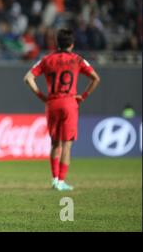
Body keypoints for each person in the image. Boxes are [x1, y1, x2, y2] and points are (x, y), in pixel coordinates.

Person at [24, 28, 100, 191]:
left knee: (54, 143)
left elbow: (28, 77)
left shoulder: (47, 59)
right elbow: (96, 78)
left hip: (52, 104)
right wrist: (84, 96)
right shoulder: (77, 59)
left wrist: (42, 96)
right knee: (67, 144)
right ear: (72, 44)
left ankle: (54, 180)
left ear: (57, 43)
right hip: (69, 102)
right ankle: (62, 181)